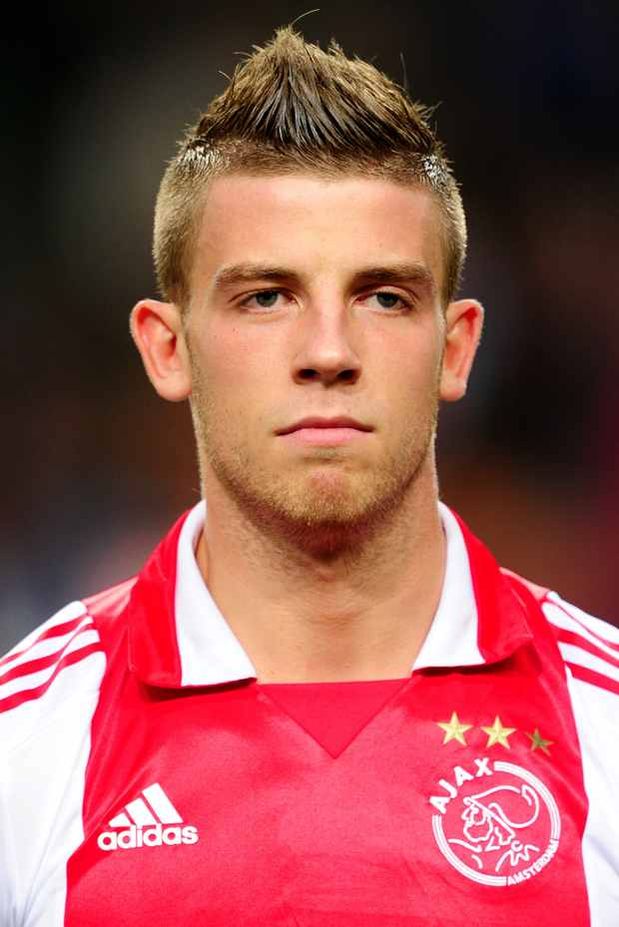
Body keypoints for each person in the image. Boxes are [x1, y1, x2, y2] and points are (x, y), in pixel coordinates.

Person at [1, 26, 617, 927]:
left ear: (455, 348)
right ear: (167, 348)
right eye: (265, 297)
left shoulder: (603, 727)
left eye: (383, 297)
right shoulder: (26, 748)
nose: (328, 352)